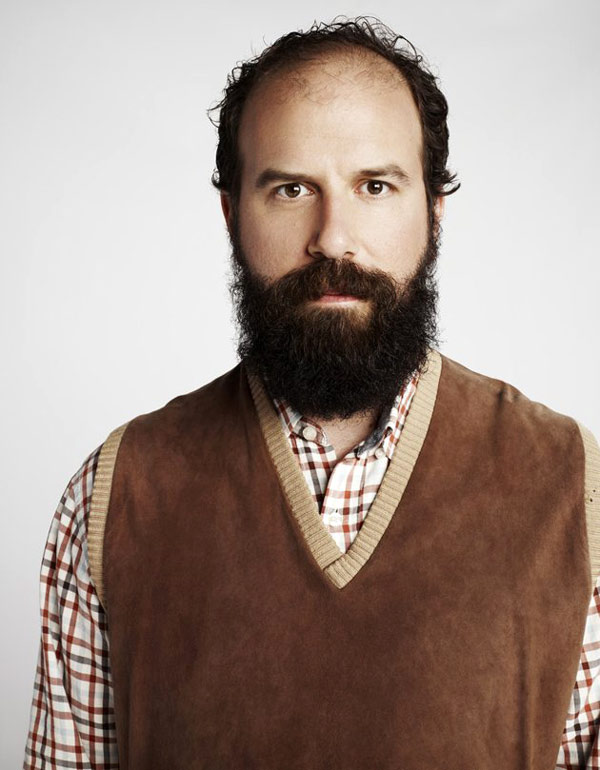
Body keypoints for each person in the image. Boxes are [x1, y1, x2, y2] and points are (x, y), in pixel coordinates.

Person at [23, 16, 600, 770]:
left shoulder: (575, 492)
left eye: (375, 186)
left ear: (435, 211)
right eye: (291, 189)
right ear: (232, 213)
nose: (332, 237)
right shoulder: (113, 498)